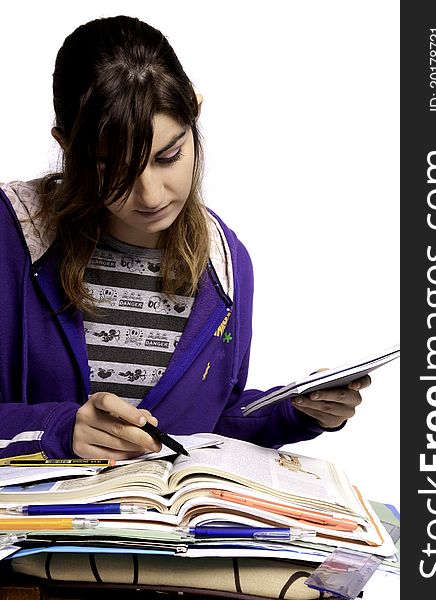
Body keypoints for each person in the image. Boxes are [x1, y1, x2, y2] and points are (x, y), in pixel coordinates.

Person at [0, 15, 370, 461]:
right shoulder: (13, 234)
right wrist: (56, 429)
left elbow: (208, 424)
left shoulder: (226, 265)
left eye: (168, 156)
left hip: (164, 526)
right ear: (65, 145)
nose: (150, 194)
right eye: (111, 169)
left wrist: (296, 410)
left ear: (194, 113)